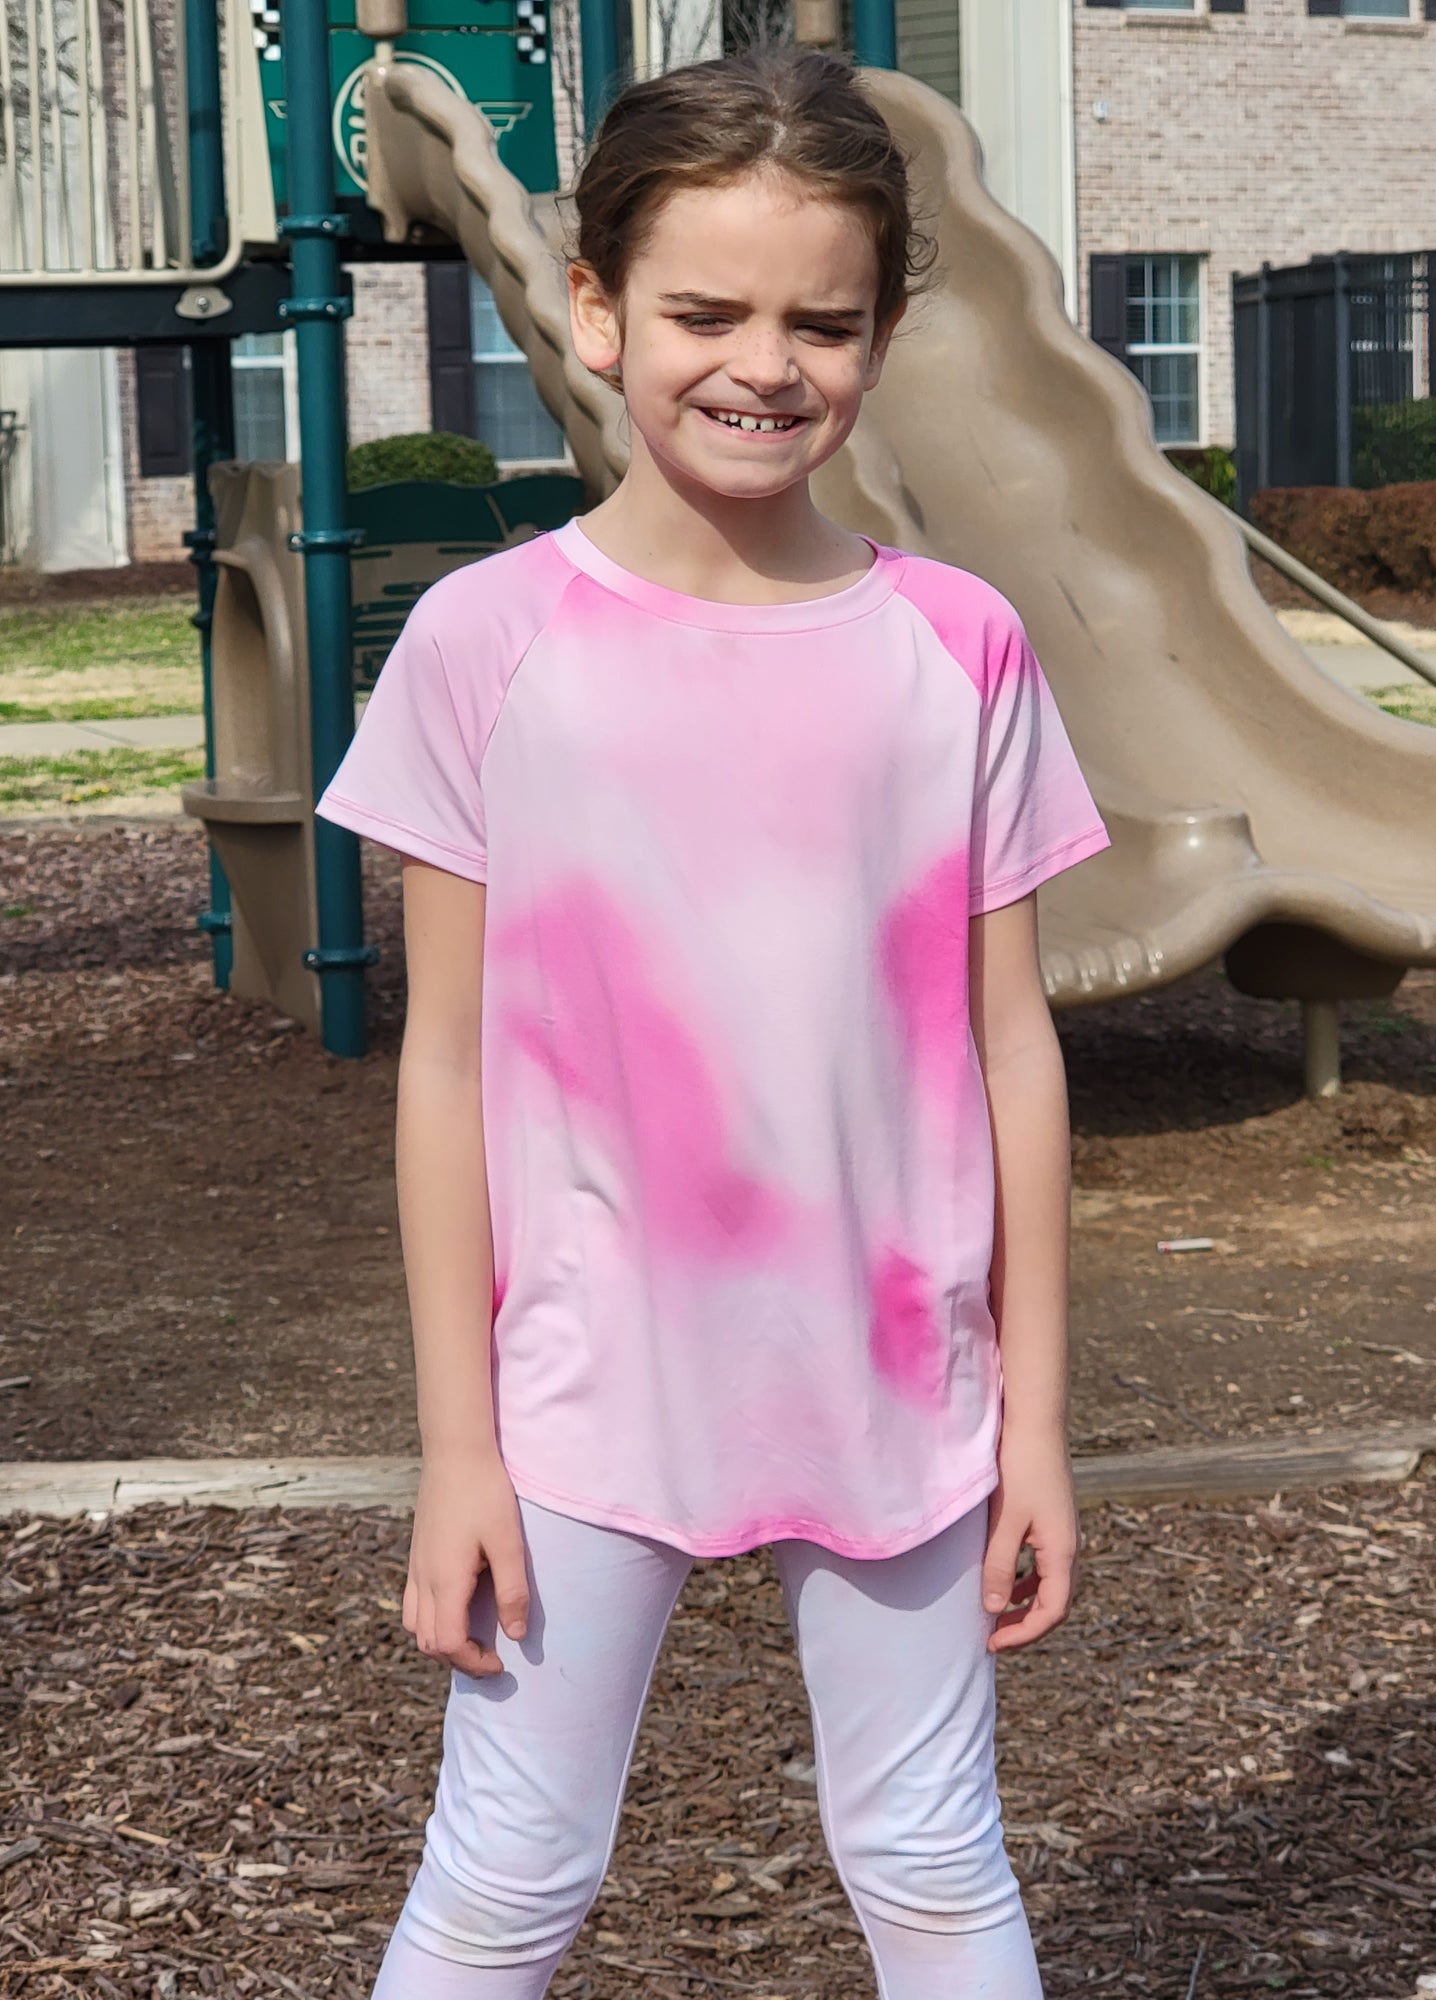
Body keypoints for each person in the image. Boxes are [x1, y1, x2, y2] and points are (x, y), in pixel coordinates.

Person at [316, 45, 1110, 2000]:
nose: (766, 361)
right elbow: (442, 1065)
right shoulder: (484, 648)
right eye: (705, 310)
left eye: (820, 319)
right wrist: (455, 1447)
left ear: (885, 331)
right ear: (594, 306)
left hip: (899, 1378)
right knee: (507, 1874)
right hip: (581, 1392)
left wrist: (1041, 1425)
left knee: (930, 1855)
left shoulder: (959, 648)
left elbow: (1015, 1045)